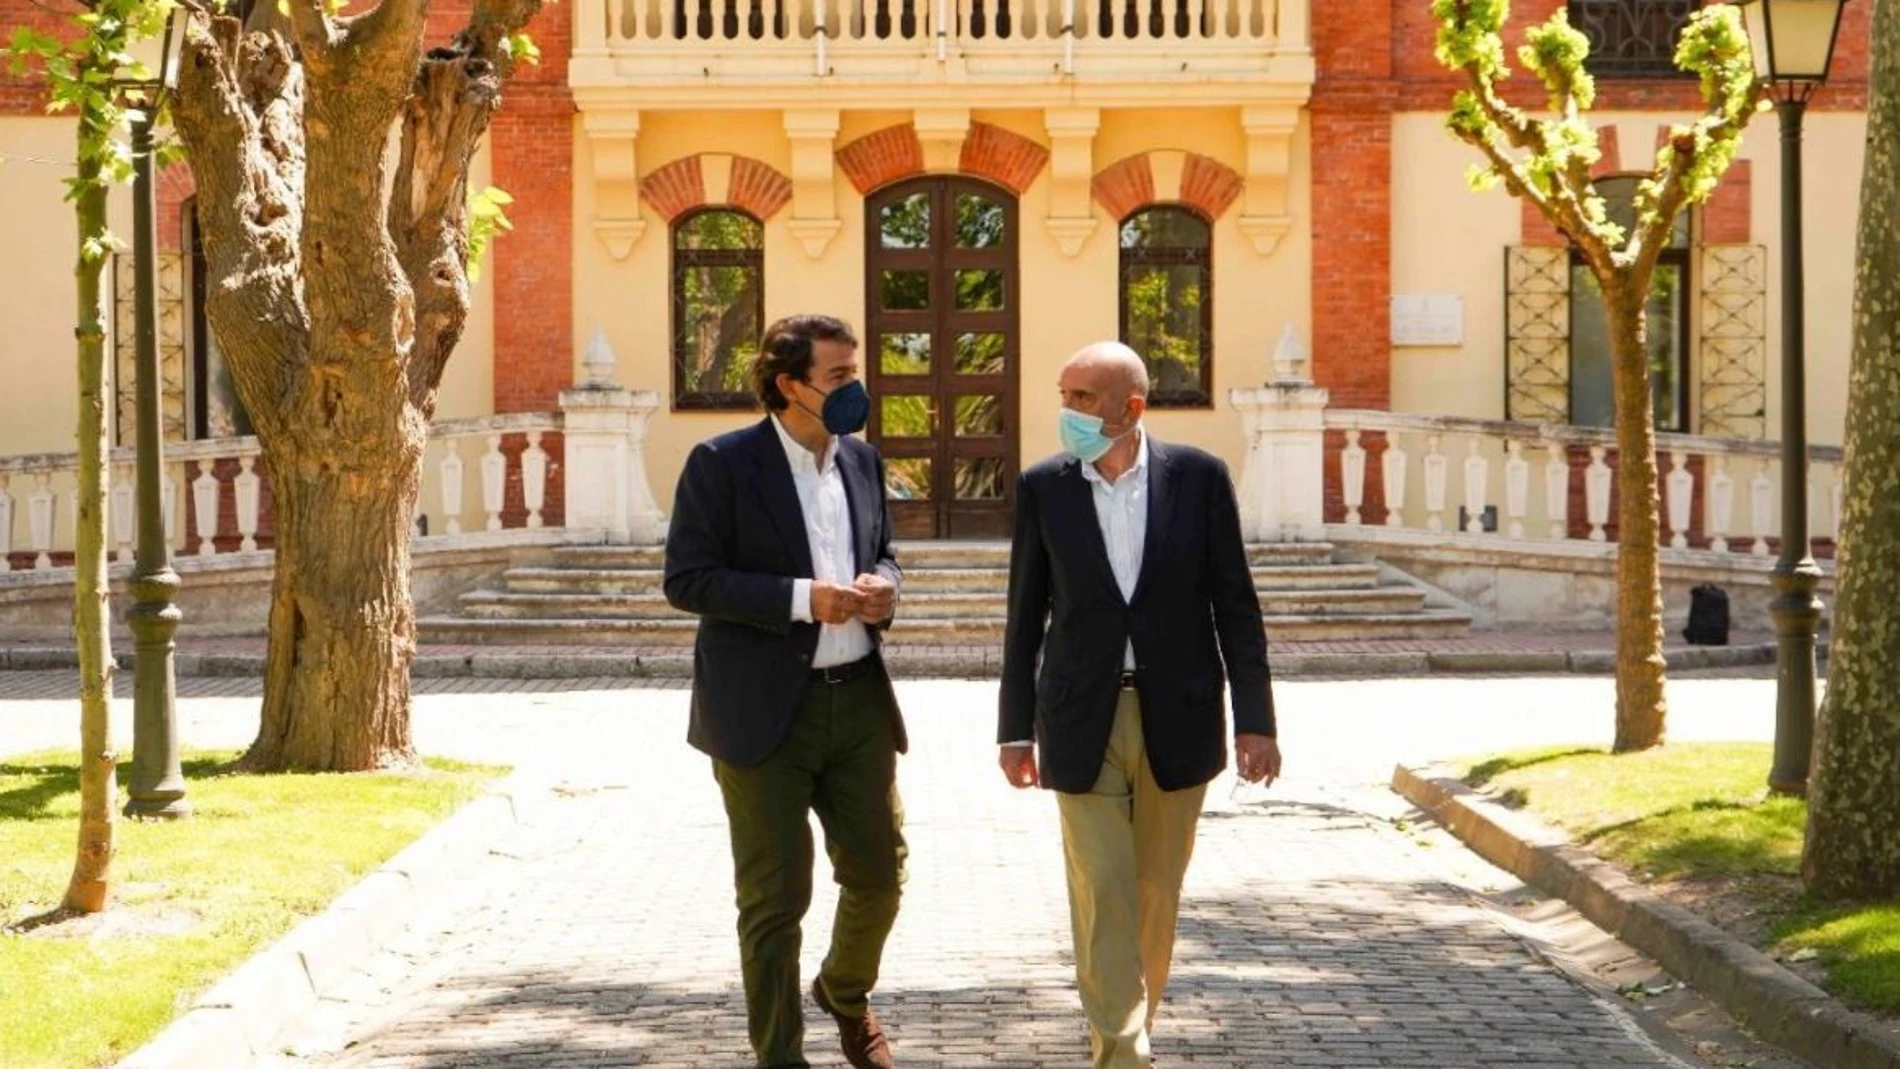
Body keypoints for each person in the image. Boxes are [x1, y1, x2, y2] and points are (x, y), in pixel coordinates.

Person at [996, 340, 1282, 1069]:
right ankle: (1123, 1052)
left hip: (1178, 712)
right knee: (1103, 885)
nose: (1069, 412)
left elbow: (1236, 606)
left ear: (1133, 405)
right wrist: (1012, 728)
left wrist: (1256, 719)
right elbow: (1024, 616)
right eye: (1064, 396)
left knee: (1155, 890)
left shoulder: (1199, 478)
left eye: (1084, 398)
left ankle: (1126, 1028)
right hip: (1077, 714)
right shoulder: (1044, 487)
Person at [664, 314, 906, 1069]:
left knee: (880, 872)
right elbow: (688, 579)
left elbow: (887, 551)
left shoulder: (861, 462)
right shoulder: (722, 463)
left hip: (859, 698)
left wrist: (884, 588)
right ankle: (780, 1057)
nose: (853, 390)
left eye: (852, 373)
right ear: (787, 386)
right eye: (837, 378)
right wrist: (803, 597)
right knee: (774, 901)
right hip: (763, 711)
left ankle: (843, 987)